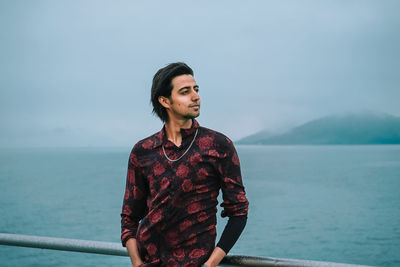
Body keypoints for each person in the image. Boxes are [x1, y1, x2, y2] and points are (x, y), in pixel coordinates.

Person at [121, 62, 249, 267]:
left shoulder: (218, 146)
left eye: (196, 90)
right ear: (165, 101)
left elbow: (239, 213)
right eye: (185, 91)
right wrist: (137, 263)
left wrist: (210, 264)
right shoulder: (143, 150)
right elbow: (129, 217)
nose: (195, 96)